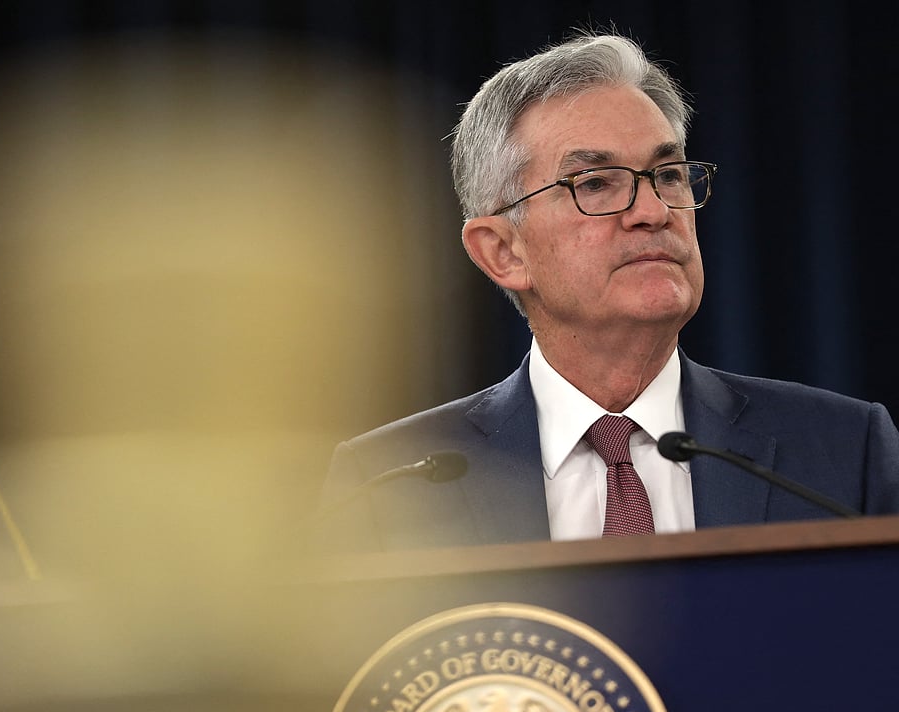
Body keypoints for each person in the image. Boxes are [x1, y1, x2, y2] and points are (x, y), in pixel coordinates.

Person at [318, 31, 899, 551]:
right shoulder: (386, 484)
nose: (653, 211)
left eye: (668, 175)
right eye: (595, 184)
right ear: (502, 250)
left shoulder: (845, 453)